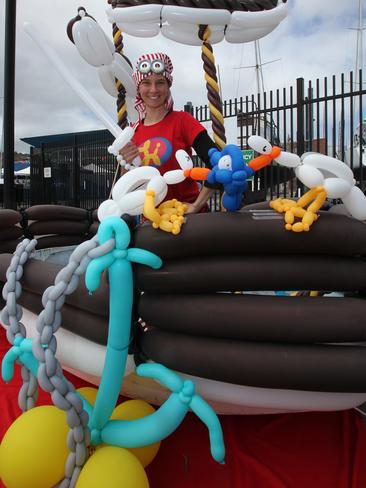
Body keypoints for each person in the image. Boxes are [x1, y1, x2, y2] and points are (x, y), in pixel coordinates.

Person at [119, 52, 218, 213]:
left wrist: (196, 205)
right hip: (153, 222)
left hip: (189, 222)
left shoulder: (183, 121)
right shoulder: (132, 133)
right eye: (146, 83)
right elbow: (125, 189)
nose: (153, 89)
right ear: (138, 87)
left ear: (168, 86)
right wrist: (124, 164)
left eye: (160, 82)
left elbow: (218, 163)